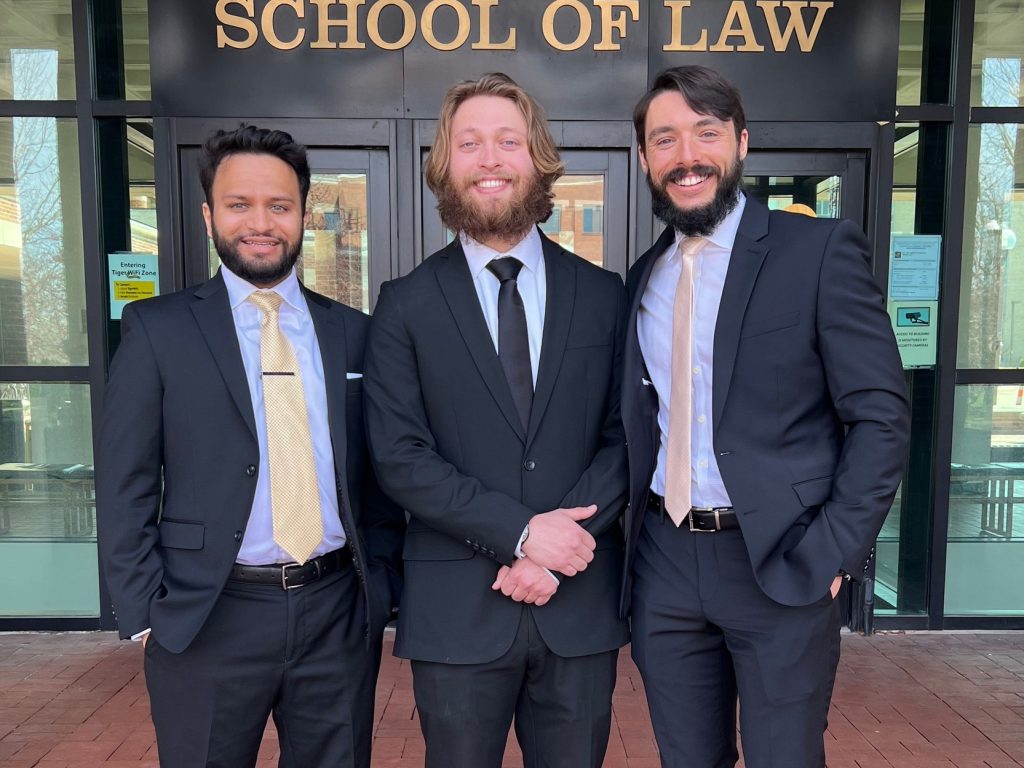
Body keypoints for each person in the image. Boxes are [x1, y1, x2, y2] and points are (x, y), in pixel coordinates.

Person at [622, 66, 910, 768]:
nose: (686, 155)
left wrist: (833, 552)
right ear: (645, 158)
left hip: (781, 561)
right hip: (666, 562)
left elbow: (881, 418)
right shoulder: (643, 279)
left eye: (706, 133)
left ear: (742, 143)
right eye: (665, 139)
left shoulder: (817, 252)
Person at [96, 124, 404, 768]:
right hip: (207, 613)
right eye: (239, 205)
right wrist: (145, 609)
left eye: (279, 205)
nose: (260, 222)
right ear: (209, 214)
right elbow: (123, 482)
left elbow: (378, 474)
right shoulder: (157, 330)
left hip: (334, 613)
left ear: (303, 214)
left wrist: (379, 585)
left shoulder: (354, 332)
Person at [363, 72, 629, 768]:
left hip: (578, 603)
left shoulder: (604, 296)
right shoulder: (405, 304)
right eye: (469, 143)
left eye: (508, 141)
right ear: (444, 167)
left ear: (536, 158)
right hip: (459, 610)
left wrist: (562, 546)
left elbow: (629, 436)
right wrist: (519, 535)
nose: (489, 159)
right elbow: (399, 455)